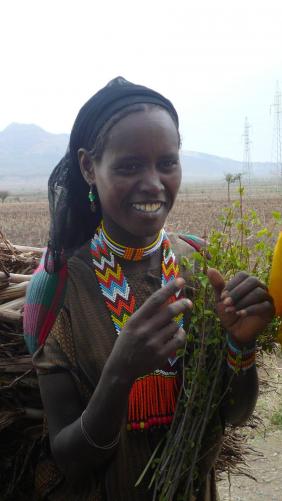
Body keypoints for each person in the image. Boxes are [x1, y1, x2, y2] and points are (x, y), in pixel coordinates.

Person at [24, 77, 274, 501]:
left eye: (167, 163)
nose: (154, 183)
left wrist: (240, 348)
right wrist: (119, 374)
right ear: (88, 167)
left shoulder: (201, 265)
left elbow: (234, 414)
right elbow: (69, 459)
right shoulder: (58, 290)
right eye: (129, 166)